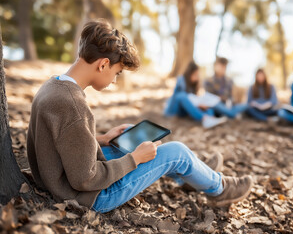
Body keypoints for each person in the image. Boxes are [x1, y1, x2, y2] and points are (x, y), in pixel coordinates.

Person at [26, 19, 253, 213]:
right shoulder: (73, 105)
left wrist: (102, 139)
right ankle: (220, 189)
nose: (115, 80)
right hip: (92, 196)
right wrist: (134, 159)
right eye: (117, 73)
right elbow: (85, 178)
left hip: (60, 178)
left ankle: (191, 176)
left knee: (142, 141)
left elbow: (61, 142)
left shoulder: (54, 86)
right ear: (104, 64)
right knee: (177, 152)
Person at [164, 61, 227, 128]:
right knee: (182, 95)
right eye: (195, 75)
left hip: (184, 111)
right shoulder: (181, 80)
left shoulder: (193, 85)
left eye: (197, 75)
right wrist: (197, 103)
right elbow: (186, 99)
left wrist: (201, 104)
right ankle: (205, 118)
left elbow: (193, 100)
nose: (197, 77)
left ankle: (211, 118)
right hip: (174, 110)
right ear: (189, 73)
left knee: (207, 106)